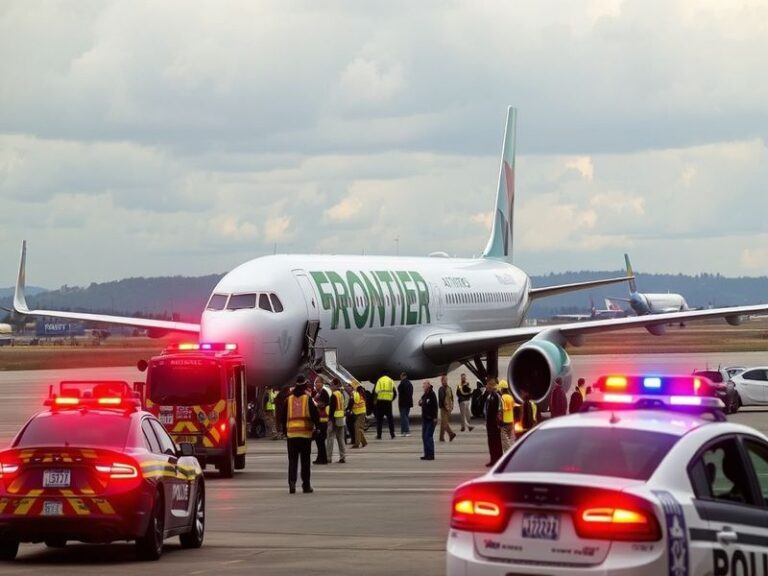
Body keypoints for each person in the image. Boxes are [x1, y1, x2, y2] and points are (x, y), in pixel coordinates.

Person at [281, 375, 320, 494]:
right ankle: (306, 485)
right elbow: (315, 414)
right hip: (305, 435)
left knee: (292, 461)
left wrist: (284, 431)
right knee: (305, 462)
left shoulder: (288, 399)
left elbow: (283, 417)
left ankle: (292, 484)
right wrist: (317, 427)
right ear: (304, 385)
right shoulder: (307, 399)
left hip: (291, 435)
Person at [325, 378, 346, 463]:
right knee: (340, 438)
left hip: (334, 419)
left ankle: (329, 457)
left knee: (330, 438)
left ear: (335, 385)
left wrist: (330, 420)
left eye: (331, 385)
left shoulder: (334, 395)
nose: (330, 386)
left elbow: (332, 409)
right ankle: (343, 457)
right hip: (341, 419)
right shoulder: (340, 394)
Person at [484, 378, 503, 466]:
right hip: (490, 423)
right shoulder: (490, 395)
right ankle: (493, 459)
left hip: (494, 423)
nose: (486, 386)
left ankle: (497, 460)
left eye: (488, 385)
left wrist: (497, 422)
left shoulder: (496, 396)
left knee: (496, 442)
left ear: (492, 385)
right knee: (491, 442)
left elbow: (498, 410)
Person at [312, 377, 330, 465]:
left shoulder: (324, 392)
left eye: (318, 382)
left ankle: (323, 459)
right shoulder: (317, 393)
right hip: (319, 419)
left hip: (323, 420)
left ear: (322, 383)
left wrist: (319, 404)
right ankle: (320, 458)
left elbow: (327, 403)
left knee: (320, 440)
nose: (316, 384)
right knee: (318, 440)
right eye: (315, 383)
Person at [418, 380, 438, 460]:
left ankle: (431, 454)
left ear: (428, 386)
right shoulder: (425, 395)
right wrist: (420, 402)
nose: (423, 387)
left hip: (430, 419)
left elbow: (435, 406)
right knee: (424, 436)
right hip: (425, 419)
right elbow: (422, 402)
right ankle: (426, 454)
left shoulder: (432, 395)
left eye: (424, 385)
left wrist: (435, 417)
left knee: (428, 436)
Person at [374, 374, 397, 439]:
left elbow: (376, 392)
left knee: (379, 420)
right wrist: (390, 399)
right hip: (388, 403)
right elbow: (395, 393)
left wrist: (375, 402)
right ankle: (392, 434)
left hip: (380, 402)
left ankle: (379, 435)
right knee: (390, 419)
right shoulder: (390, 381)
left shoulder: (379, 380)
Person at [348, 382, 368, 448]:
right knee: (359, 428)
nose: (347, 388)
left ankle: (357, 444)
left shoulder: (354, 393)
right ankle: (364, 442)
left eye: (349, 386)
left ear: (353, 387)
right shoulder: (360, 392)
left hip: (360, 412)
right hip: (359, 412)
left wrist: (348, 409)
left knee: (357, 427)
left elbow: (353, 401)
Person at [438, 374, 456, 442]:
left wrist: (451, 406)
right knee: (444, 423)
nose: (445, 381)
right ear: (442, 381)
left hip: (446, 408)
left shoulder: (447, 388)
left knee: (444, 423)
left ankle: (446, 436)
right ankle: (446, 436)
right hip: (445, 408)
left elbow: (451, 397)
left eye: (446, 380)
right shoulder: (443, 389)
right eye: (444, 380)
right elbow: (442, 398)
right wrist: (447, 407)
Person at [498, 380, 515, 452]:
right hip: (511, 421)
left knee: (505, 441)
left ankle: (510, 453)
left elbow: (501, 410)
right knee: (508, 439)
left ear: (502, 389)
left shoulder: (502, 398)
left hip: (504, 422)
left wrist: (499, 421)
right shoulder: (511, 397)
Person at [398, 372, 414, 437]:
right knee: (406, 416)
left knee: (403, 417)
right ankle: (403, 431)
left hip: (403, 403)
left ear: (402, 376)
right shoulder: (410, 384)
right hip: (408, 403)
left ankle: (406, 431)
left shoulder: (402, 383)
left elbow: (399, 389)